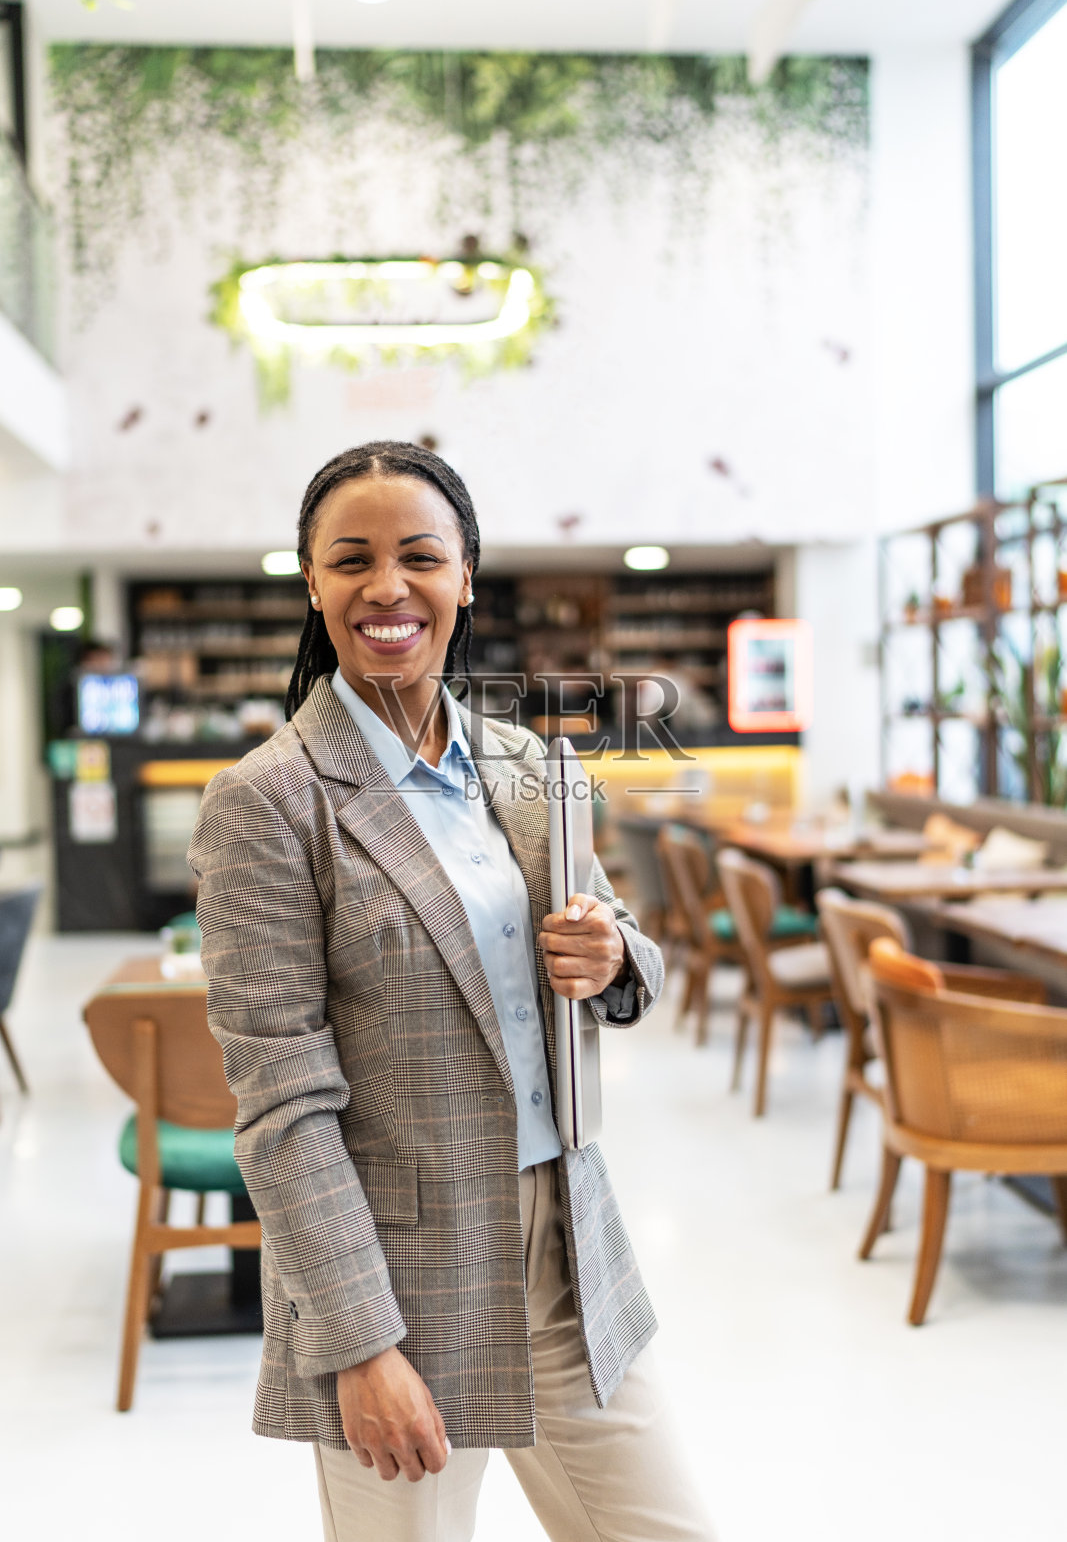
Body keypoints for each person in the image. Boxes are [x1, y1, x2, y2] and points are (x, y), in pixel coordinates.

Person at [188, 441, 714, 1542]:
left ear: (464, 577)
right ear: (314, 583)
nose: (387, 587)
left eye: (419, 557)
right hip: (397, 1275)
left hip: (566, 1248)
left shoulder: (524, 764)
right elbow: (282, 1106)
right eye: (352, 560)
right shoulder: (269, 801)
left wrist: (614, 959)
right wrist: (360, 1345)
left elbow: (629, 946)